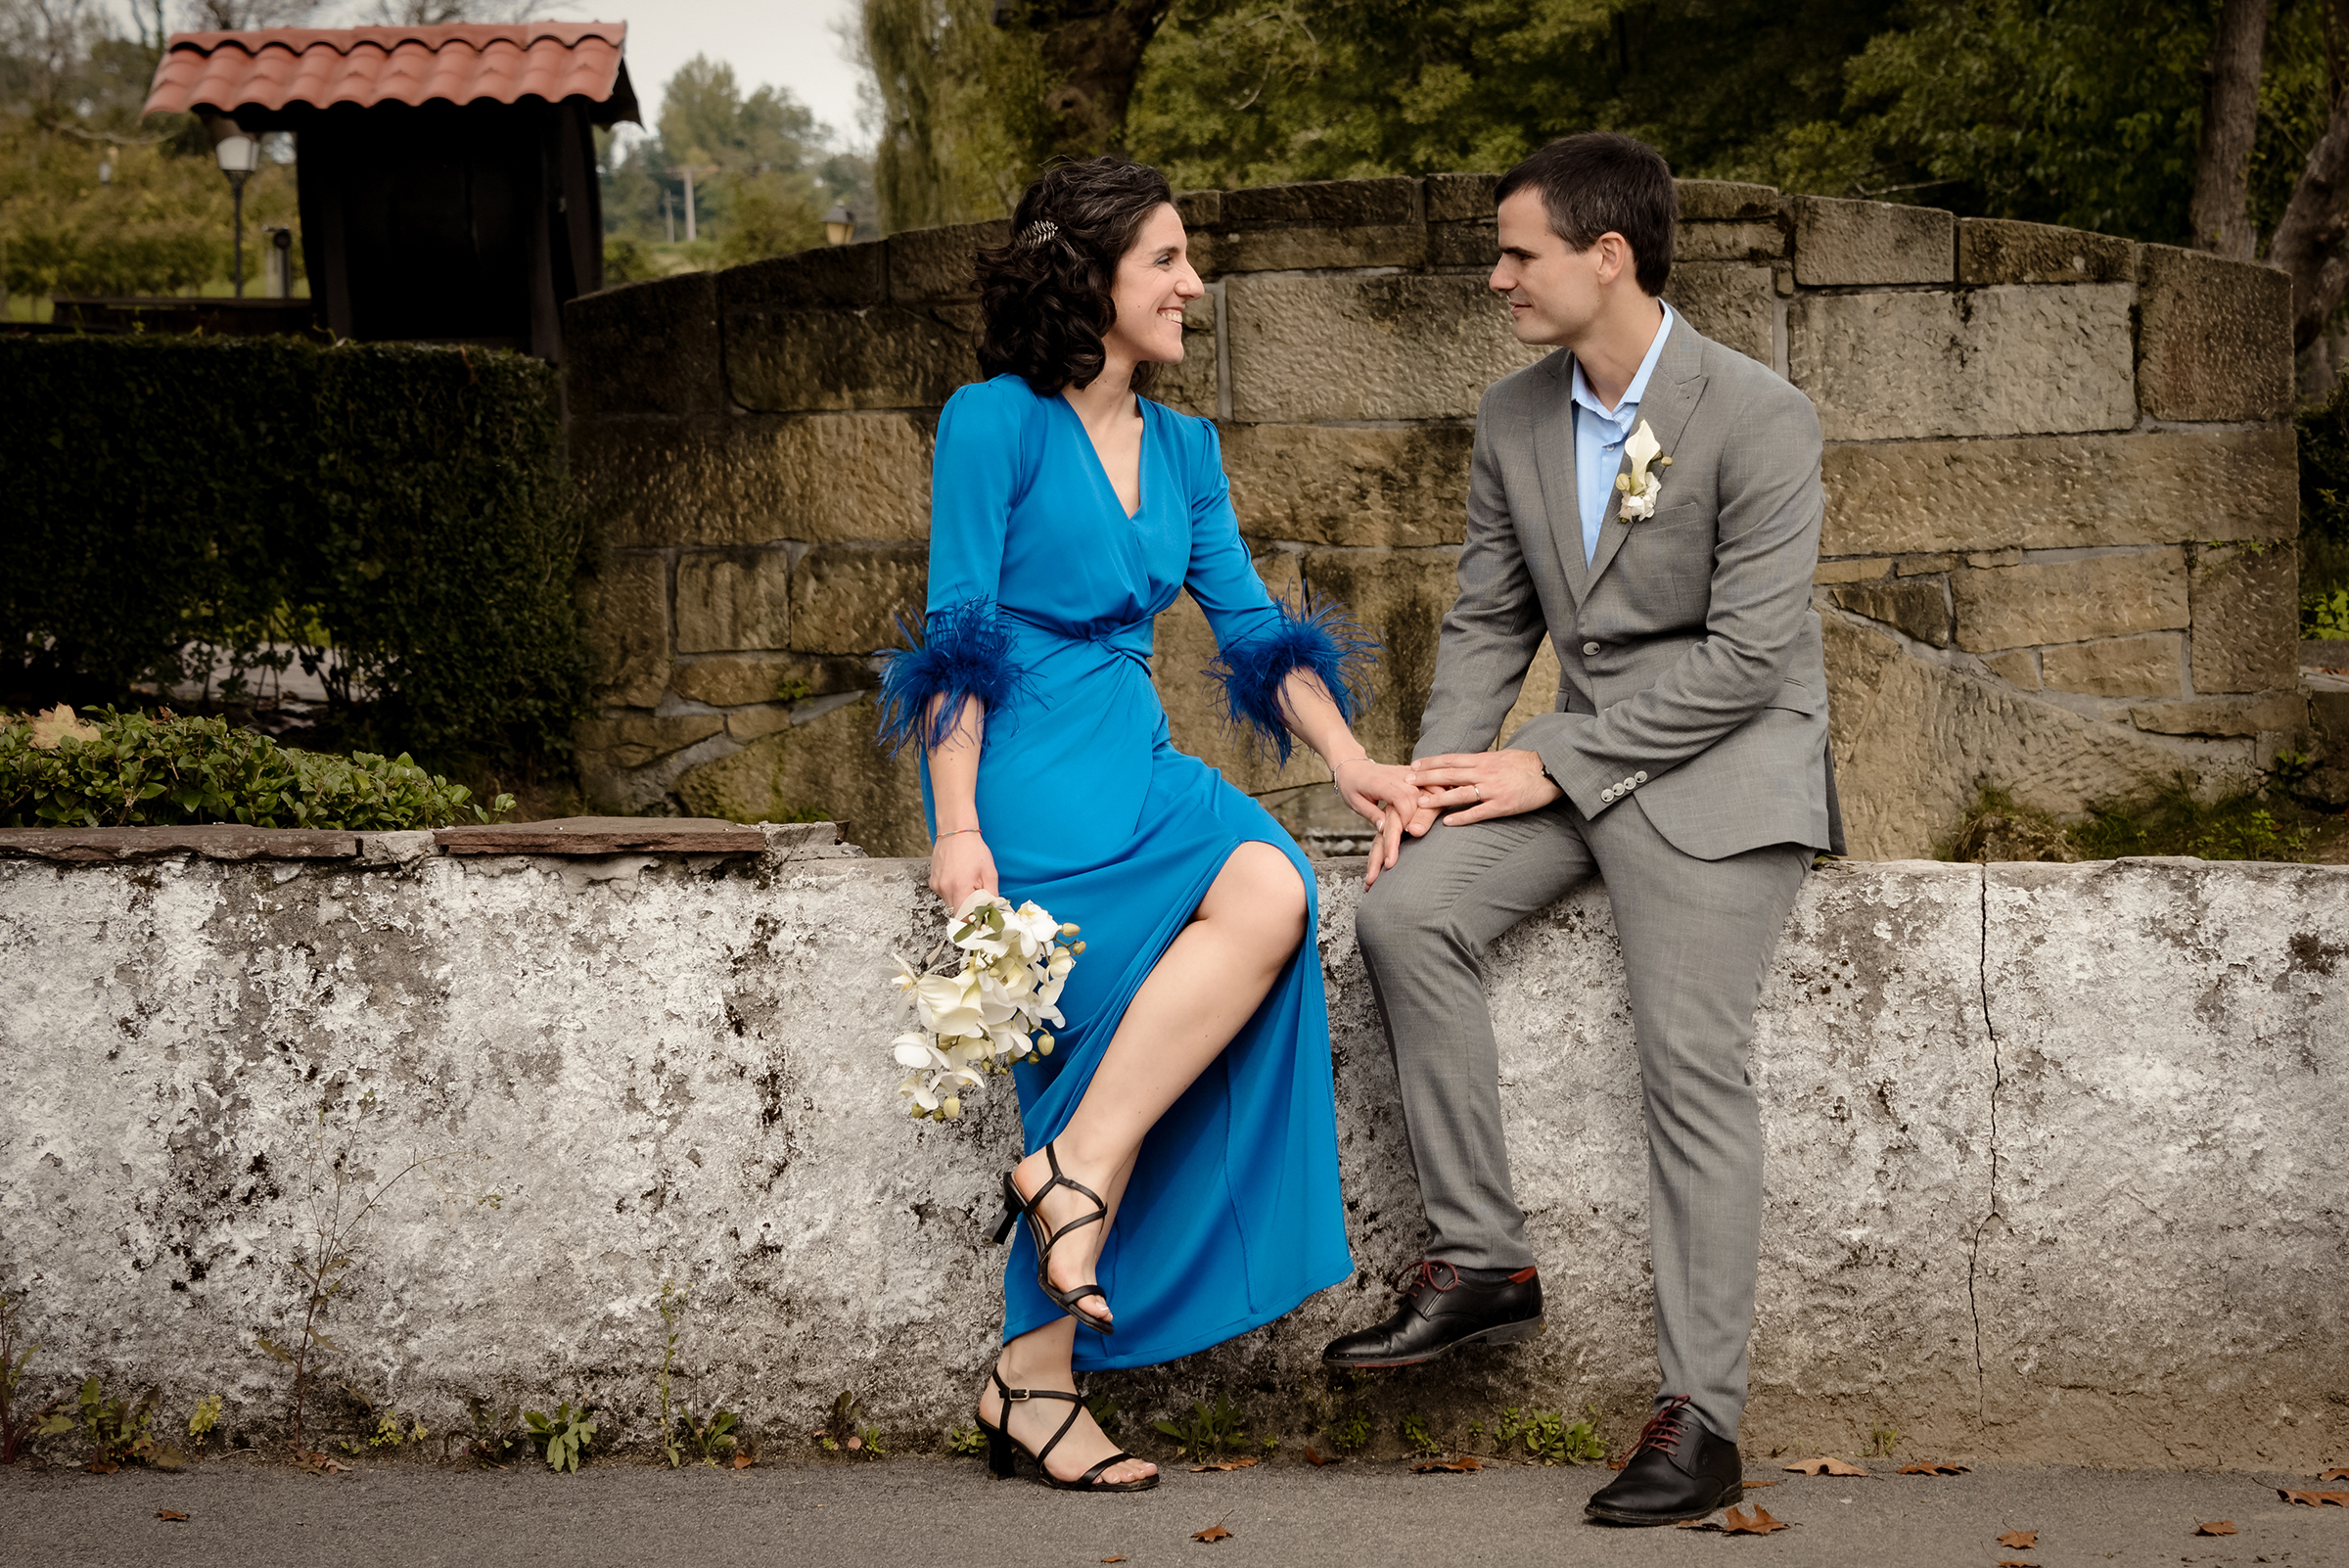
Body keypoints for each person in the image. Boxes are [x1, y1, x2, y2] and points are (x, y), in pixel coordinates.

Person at [876, 157, 1423, 1494]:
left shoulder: (1186, 448)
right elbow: (960, 634)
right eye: (1169, 260)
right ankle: (1037, 1382)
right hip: (1032, 768)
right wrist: (957, 828)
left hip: (1142, 751)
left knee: (1275, 887)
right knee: (1089, 1030)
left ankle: (1072, 1172)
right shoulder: (989, 422)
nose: (1194, 283)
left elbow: (1249, 627)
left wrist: (1354, 759)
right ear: (1091, 279)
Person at [1320, 132, 1844, 1527]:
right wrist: (1431, 785)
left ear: (1608, 256)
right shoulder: (1511, 416)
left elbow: (1746, 662)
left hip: (1727, 771)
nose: (1497, 277)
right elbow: (1492, 618)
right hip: (1584, 765)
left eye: (1518, 253)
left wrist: (1553, 763)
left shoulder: (1760, 415)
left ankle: (1702, 1420)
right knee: (1402, 911)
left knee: (1688, 1064)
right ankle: (1483, 1258)